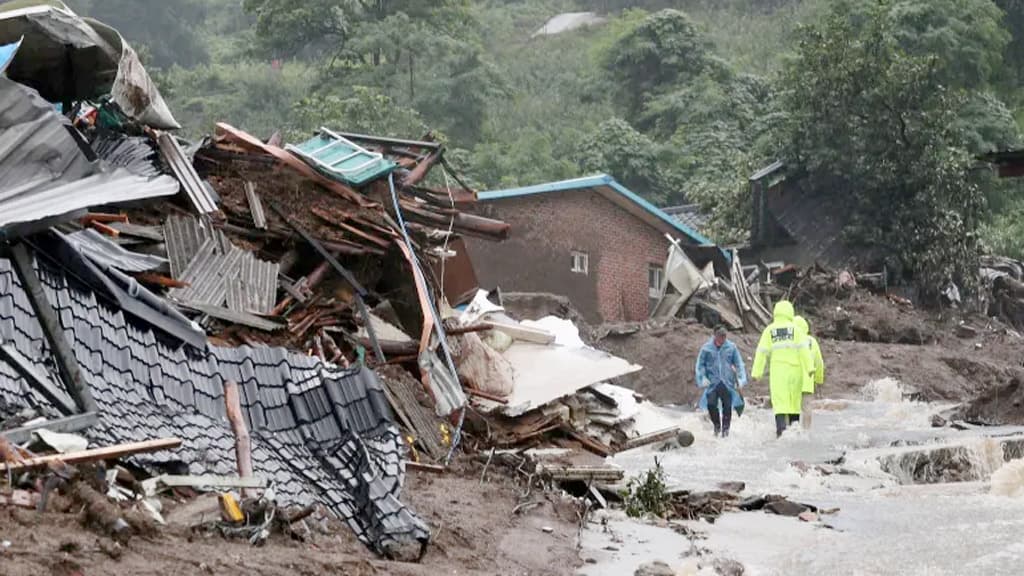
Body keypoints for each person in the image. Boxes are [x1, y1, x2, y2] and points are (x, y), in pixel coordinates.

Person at [752, 300, 813, 437]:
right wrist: (810, 368)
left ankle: (781, 433)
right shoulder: (796, 330)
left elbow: (761, 352)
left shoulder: (769, 330)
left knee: (780, 403)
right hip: (795, 372)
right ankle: (795, 432)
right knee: (794, 402)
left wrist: (757, 372)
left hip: (778, 373)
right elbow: (804, 350)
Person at [695, 325, 747, 437]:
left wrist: (741, 380)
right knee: (711, 405)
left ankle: (725, 432)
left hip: (727, 383)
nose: (722, 339)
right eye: (720, 336)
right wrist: (702, 378)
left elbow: (739, 364)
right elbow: (700, 365)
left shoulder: (731, 347)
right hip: (712, 384)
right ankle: (717, 427)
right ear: (714, 335)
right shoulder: (706, 348)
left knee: (727, 407)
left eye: (724, 336)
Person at [794, 316, 825, 430]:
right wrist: (819, 380)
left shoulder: (790, 341)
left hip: (792, 382)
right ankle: (806, 431)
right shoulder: (812, 342)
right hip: (807, 382)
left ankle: (792, 431)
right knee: (807, 409)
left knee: (792, 409)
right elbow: (819, 362)